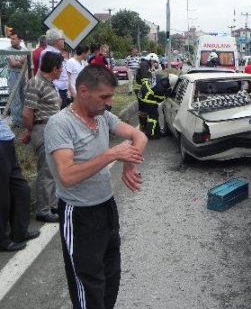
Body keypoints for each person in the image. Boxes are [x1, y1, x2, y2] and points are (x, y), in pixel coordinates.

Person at [44, 64, 147, 309]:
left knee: (111, 276)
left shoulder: (102, 117)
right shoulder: (60, 124)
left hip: (106, 208)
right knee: (88, 287)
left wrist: (129, 164)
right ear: (83, 91)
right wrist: (112, 155)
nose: (109, 102)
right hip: (79, 215)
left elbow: (139, 137)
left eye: (111, 96)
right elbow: (66, 176)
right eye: (104, 97)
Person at [21, 51, 64, 223]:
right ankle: (43, 210)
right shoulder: (36, 83)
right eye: (60, 68)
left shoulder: (48, 83)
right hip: (43, 129)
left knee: (53, 170)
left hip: (52, 129)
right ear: (54, 69)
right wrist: (30, 131)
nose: (61, 72)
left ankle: (52, 204)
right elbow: (27, 113)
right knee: (46, 171)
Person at [0, 118, 40, 252]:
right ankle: (2, 240)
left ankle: (19, 232)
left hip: (6, 141)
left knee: (21, 190)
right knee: (2, 196)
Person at [135, 57, 170, 139]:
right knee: (153, 116)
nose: (154, 63)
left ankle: (143, 128)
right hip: (147, 99)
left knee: (143, 112)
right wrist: (166, 95)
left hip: (141, 95)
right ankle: (151, 134)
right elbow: (159, 99)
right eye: (154, 62)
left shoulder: (159, 76)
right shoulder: (161, 88)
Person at [40, 28, 71, 109]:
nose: (64, 41)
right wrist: (56, 93)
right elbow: (47, 75)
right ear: (57, 41)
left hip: (62, 91)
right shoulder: (49, 53)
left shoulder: (56, 52)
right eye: (63, 39)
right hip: (56, 91)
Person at [6, 31, 28, 127]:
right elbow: (13, 64)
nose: (12, 41)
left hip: (23, 74)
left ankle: (23, 120)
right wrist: (21, 61)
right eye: (11, 39)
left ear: (19, 40)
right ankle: (16, 121)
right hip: (13, 75)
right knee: (15, 98)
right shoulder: (8, 49)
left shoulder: (24, 49)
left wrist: (19, 62)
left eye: (14, 39)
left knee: (23, 96)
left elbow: (27, 63)